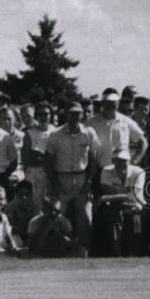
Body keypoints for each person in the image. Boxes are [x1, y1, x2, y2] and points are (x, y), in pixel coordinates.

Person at [46, 102, 100, 252]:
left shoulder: (89, 133)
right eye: (71, 113)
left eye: (77, 113)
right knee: (58, 218)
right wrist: (55, 184)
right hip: (61, 178)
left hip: (82, 178)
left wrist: (89, 182)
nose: (74, 117)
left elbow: (93, 159)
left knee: (85, 219)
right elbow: (48, 161)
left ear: (82, 115)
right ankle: (59, 251)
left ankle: (84, 252)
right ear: (66, 114)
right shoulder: (55, 135)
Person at [93, 148, 146, 257]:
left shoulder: (138, 172)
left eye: (124, 160)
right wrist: (115, 197)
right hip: (116, 206)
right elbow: (112, 193)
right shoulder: (106, 171)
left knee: (137, 221)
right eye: (118, 160)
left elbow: (131, 196)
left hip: (136, 206)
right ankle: (117, 254)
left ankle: (135, 254)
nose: (121, 163)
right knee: (112, 218)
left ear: (129, 161)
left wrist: (104, 198)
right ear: (113, 161)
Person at [87, 88, 148, 169]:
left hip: (121, 171)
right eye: (107, 103)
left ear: (118, 104)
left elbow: (143, 142)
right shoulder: (90, 123)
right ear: (102, 103)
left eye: (113, 103)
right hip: (99, 171)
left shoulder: (126, 122)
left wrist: (136, 160)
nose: (110, 106)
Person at [21, 102, 54, 210]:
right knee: (35, 206)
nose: (43, 117)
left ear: (50, 115)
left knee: (51, 205)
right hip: (34, 174)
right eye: (40, 114)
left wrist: (40, 156)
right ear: (36, 116)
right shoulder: (30, 133)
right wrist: (45, 158)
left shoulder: (56, 131)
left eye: (46, 114)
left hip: (52, 174)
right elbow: (26, 158)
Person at [4, 180, 37, 245]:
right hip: (16, 236)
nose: (24, 198)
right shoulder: (10, 207)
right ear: (16, 195)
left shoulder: (36, 206)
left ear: (32, 195)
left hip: (32, 236)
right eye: (21, 195)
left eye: (27, 195)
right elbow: (6, 228)